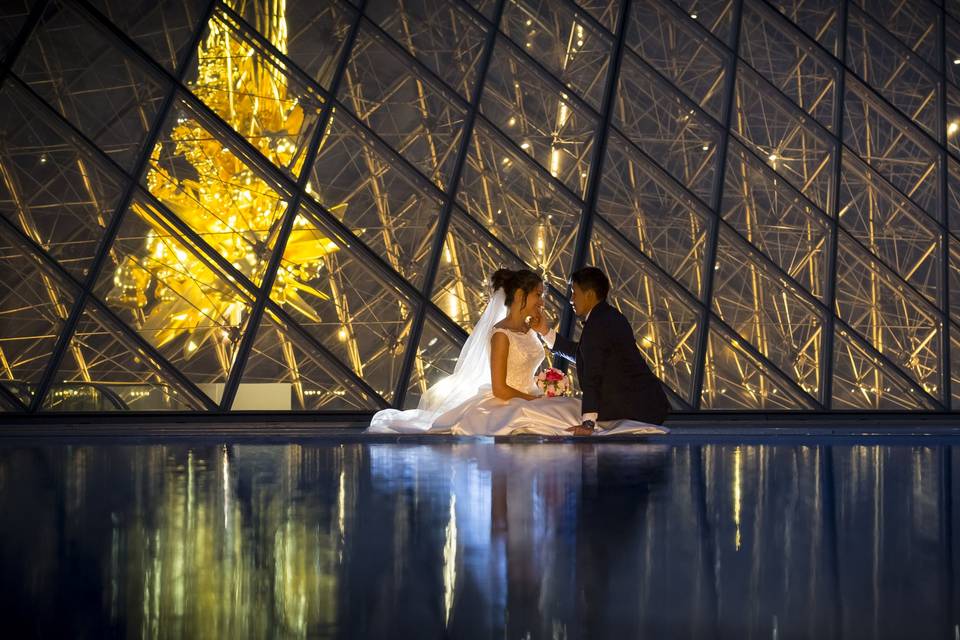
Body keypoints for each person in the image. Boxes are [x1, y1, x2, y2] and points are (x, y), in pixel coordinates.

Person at [366, 268, 667, 436]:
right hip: (510, 399)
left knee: (566, 412)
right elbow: (500, 386)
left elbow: (588, 362)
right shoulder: (502, 334)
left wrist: (543, 339)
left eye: (572, 293)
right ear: (521, 295)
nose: (547, 301)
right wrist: (537, 395)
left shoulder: (593, 322)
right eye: (539, 295)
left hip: (544, 397)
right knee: (560, 414)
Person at [531, 267, 670, 435]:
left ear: (589, 295)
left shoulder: (597, 324)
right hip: (645, 404)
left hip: (632, 410)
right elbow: (584, 355)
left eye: (574, 293)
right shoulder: (608, 316)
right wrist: (545, 332)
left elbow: (592, 374)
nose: (571, 300)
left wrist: (588, 424)